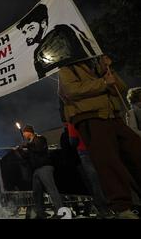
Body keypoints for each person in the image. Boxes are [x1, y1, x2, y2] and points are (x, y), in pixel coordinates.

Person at [58, 54, 141, 219]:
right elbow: (71, 90)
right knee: (108, 163)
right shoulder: (67, 68)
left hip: (112, 115)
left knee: (135, 151)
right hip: (91, 118)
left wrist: (107, 70)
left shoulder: (98, 65)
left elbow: (120, 89)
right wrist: (102, 83)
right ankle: (122, 207)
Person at [17, 4, 97, 79]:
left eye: (31, 29)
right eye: (24, 32)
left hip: (85, 78)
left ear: (43, 23)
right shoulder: (37, 53)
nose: (27, 35)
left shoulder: (61, 33)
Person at [14, 125, 64, 219]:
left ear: (29, 132)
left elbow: (39, 149)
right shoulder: (30, 144)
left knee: (51, 190)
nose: (24, 135)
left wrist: (27, 145)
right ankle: (41, 213)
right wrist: (19, 150)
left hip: (45, 167)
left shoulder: (40, 139)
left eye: (24, 133)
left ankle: (61, 212)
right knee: (37, 193)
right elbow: (27, 157)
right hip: (36, 170)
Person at [67, 122, 112, 218]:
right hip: (100, 148)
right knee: (106, 176)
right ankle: (116, 204)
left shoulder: (72, 122)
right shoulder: (91, 119)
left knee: (94, 181)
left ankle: (103, 209)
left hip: (84, 151)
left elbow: (73, 142)